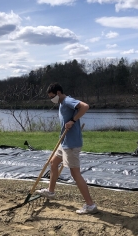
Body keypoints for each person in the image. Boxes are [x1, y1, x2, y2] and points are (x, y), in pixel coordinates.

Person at [36, 82, 97, 214]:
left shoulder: (68, 101)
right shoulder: (62, 104)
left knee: (75, 174)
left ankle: (90, 205)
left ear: (58, 93)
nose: (52, 99)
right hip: (64, 141)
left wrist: (73, 121)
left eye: (52, 96)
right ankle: (50, 191)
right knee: (53, 162)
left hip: (71, 144)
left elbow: (85, 107)